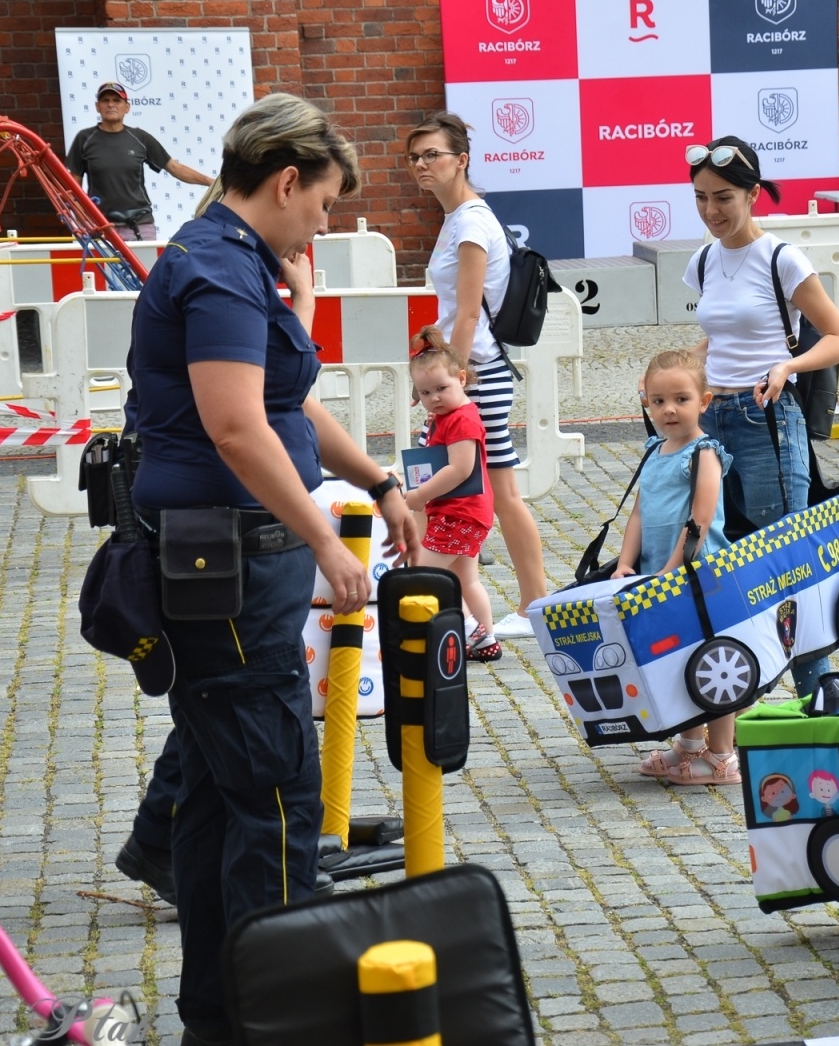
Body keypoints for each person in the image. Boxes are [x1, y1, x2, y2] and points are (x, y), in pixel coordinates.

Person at [124, 92, 417, 1046]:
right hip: (227, 561)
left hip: (239, 558)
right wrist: (329, 541)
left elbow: (287, 407)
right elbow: (236, 428)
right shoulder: (216, 268)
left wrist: (376, 479)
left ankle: (220, 1016)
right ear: (286, 181)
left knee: (220, 794)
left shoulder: (243, 262)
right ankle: (287, 1023)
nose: (324, 222)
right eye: (324, 203)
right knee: (282, 795)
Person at [684, 135, 839, 695]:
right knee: (714, 548)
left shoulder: (781, 257)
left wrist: (788, 366)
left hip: (767, 417)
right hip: (713, 418)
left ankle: (817, 694)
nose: (712, 211)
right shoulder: (705, 260)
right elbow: (715, 339)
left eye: (725, 198)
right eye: (702, 197)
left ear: (754, 194)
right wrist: (683, 376)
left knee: (783, 552)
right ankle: (735, 692)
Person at [403, 111, 547, 639]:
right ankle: (517, 602)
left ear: (461, 159)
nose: (422, 164)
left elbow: (467, 312)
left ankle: (532, 602)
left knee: (492, 490)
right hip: (469, 373)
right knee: (486, 489)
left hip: (475, 376)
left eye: (433, 154)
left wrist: (452, 382)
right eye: (415, 157)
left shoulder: (470, 221)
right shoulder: (459, 218)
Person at [616, 351, 736, 784]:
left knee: (712, 662)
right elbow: (639, 514)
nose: (669, 409)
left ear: (703, 402)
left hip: (701, 576)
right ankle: (688, 745)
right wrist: (626, 564)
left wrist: (672, 567)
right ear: (646, 402)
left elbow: (700, 519)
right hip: (661, 576)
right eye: (659, 400)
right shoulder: (653, 450)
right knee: (677, 661)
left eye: (681, 399)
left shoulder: (705, 453)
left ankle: (722, 755)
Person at [408, 337, 500, 661]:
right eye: (425, 392)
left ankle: (472, 630)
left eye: (440, 388)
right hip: (463, 511)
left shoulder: (461, 419)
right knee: (466, 580)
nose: (434, 398)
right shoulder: (449, 416)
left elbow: (461, 469)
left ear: (461, 378)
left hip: (458, 512)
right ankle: (486, 640)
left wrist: (419, 495)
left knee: (423, 574)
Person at [67, 81, 214, 242]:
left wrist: (211, 182)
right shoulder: (85, 139)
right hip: (101, 227)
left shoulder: (139, 138)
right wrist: (84, 220)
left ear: (127, 107)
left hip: (140, 225)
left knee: (145, 268)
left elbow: (174, 167)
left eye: (117, 101)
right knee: (102, 269)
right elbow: (74, 186)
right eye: (105, 100)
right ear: (97, 106)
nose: (111, 105)